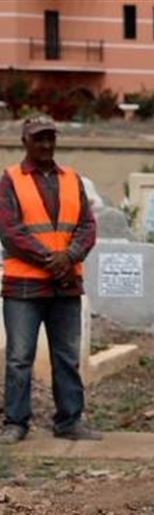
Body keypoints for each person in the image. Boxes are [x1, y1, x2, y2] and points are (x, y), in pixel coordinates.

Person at [0, 115, 99, 444]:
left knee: (67, 357)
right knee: (19, 358)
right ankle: (16, 422)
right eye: (38, 138)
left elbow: (87, 226)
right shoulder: (10, 180)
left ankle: (69, 421)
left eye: (50, 138)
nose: (45, 144)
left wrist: (68, 257)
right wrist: (50, 259)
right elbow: (11, 232)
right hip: (24, 287)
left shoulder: (72, 179)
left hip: (66, 283)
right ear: (24, 141)